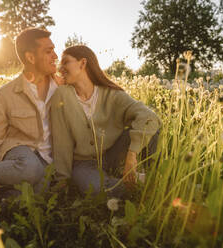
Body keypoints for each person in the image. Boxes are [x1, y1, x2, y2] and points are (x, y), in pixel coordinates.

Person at [51, 45, 161, 198]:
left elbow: (149, 117)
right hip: (84, 164)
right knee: (96, 189)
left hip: (114, 154)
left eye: (65, 62)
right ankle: (143, 185)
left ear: (82, 63)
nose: (60, 68)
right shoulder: (62, 94)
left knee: (151, 128)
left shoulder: (111, 94)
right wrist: (62, 180)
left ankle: (151, 177)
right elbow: (61, 140)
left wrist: (132, 154)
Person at [0, 28, 60, 196]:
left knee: (36, 193)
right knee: (30, 169)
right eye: (49, 51)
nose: (55, 56)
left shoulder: (63, 89)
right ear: (30, 57)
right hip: (20, 154)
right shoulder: (5, 94)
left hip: (48, 160)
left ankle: (3, 193)